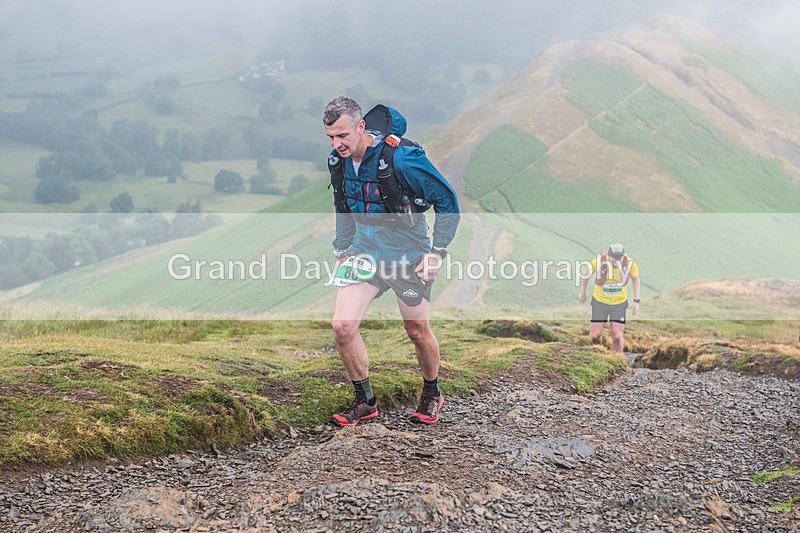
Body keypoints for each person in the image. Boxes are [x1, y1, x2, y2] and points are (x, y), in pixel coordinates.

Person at [322, 96, 459, 427]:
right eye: (330, 137)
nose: (337, 144)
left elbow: (447, 200)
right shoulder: (338, 161)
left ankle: (432, 393)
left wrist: (437, 252)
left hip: (408, 255)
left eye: (343, 135)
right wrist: (342, 249)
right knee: (343, 327)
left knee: (416, 330)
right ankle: (365, 402)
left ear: (361, 126)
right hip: (363, 251)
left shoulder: (400, 158)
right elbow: (343, 205)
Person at [578, 243, 640, 353]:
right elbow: (585, 274)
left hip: (619, 304)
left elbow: (635, 279)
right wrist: (582, 292)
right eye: (614, 258)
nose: (616, 261)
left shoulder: (629, 263)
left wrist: (636, 301)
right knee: (595, 336)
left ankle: (619, 359)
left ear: (623, 256)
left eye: (619, 258)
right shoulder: (599, 261)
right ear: (608, 255)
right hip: (600, 302)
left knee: (617, 336)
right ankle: (598, 352)